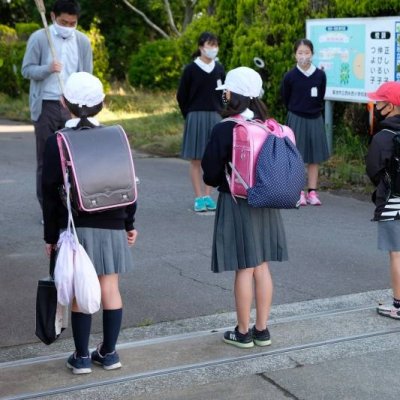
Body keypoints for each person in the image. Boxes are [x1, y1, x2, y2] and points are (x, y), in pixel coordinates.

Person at [42, 72, 138, 374]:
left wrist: (51, 235)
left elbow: (49, 193)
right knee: (110, 287)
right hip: (113, 224)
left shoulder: (58, 141)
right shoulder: (116, 136)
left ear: (63, 103)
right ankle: (109, 353)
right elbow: (128, 184)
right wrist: (129, 223)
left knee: (80, 291)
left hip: (75, 227)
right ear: (103, 103)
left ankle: (82, 356)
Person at [202, 67, 288, 348]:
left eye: (226, 91)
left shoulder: (225, 128)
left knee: (244, 267)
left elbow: (210, 173)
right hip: (268, 201)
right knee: (261, 266)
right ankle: (262, 330)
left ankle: (242, 332)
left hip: (237, 201)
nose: (224, 95)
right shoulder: (268, 125)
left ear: (233, 94)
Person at [22, 0, 93, 212]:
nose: (69, 27)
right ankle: (49, 209)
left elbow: (86, 75)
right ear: (53, 16)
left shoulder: (82, 41)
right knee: (47, 159)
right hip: (45, 105)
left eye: (73, 23)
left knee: (75, 159)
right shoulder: (39, 38)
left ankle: (73, 205)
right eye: (64, 22)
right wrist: (47, 69)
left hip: (72, 106)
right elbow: (27, 70)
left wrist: (83, 103)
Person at [177, 31, 225, 212]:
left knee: (212, 158)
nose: (212, 49)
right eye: (209, 45)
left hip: (215, 116)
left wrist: (225, 110)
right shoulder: (190, 69)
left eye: (215, 45)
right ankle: (198, 198)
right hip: (195, 116)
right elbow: (182, 96)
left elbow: (225, 94)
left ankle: (208, 196)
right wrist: (189, 114)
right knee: (196, 160)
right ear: (200, 48)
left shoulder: (219, 68)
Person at [365, 81, 400, 320]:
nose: (375, 105)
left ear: (390, 107)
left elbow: (374, 171)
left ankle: (398, 304)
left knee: (397, 254)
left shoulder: (383, 137)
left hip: (392, 203)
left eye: (379, 101)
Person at [281, 38, 329, 206]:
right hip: (296, 118)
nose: (303, 56)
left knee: (314, 158)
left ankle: (313, 192)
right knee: (297, 157)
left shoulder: (320, 75)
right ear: (295, 55)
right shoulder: (290, 76)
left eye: (307, 53)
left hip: (315, 118)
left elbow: (321, 95)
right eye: (300, 53)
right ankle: (299, 192)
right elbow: (286, 99)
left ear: (312, 54)